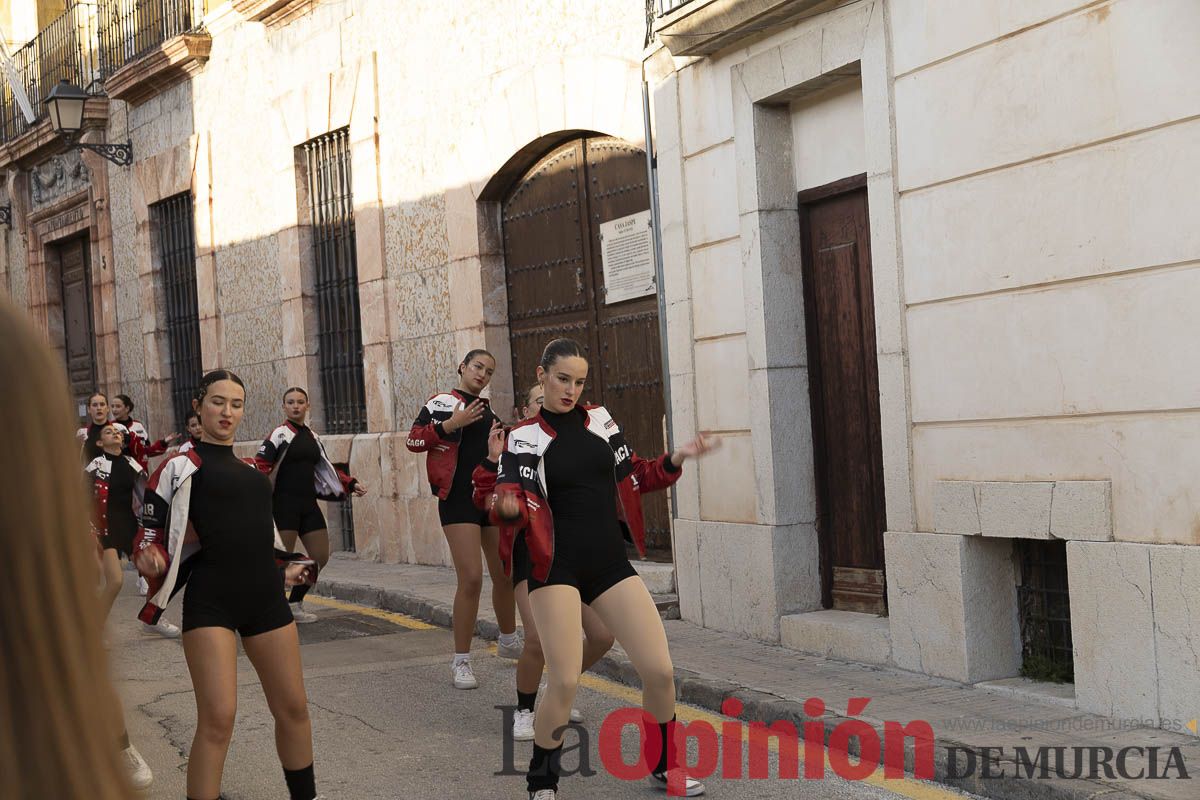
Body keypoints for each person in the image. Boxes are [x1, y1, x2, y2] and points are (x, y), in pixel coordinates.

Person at [487, 338, 719, 799]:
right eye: (562, 379)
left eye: (578, 381)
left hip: (608, 562)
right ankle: (542, 780)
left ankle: (662, 767)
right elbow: (504, 495)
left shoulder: (601, 421)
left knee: (659, 671)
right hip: (554, 566)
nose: (570, 389)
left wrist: (675, 459)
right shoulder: (524, 438)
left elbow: (634, 475)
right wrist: (508, 505)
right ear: (542, 375)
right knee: (567, 677)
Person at [134, 369, 321, 800]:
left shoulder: (253, 471)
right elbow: (151, 533)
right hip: (211, 603)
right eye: (218, 402)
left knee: (293, 709)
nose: (227, 411)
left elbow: (262, 538)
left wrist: (288, 566)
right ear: (198, 406)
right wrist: (150, 557)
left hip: (266, 602)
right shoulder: (179, 466)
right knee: (218, 719)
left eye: (236, 404)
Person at [0, 298, 137, 799]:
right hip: (86, 528)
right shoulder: (82, 456)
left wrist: (147, 539)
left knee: (115, 581)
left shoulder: (132, 457)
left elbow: (145, 496)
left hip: (104, 531)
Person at [473, 384, 615, 741]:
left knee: (602, 635)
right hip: (532, 555)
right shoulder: (515, 444)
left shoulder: (579, 439)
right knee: (536, 638)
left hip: (573, 555)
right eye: (539, 400)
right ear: (526, 409)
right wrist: (492, 460)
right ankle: (524, 710)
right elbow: (483, 500)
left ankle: (558, 692)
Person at [407, 348, 521, 690]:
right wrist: (450, 424)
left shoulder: (489, 411)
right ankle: (461, 661)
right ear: (462, 367)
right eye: (477, 367)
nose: (482, 374)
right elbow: (414, 441)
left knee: (505, 572)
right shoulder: (441, 401)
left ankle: (508, 639)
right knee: (471, 578)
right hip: (456, 498)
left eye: (488, 371)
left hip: (487, 496)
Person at [255, 387, 367, 623]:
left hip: (308, 506)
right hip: (283, 506)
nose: (296, 406)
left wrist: (350, 483)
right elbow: (260, 465)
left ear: (308, 406)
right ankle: (268, 609)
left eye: (300, 402)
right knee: (276, 562)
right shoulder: (279, 434)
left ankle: (294, 602)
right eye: (290, 402)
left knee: (320, 556)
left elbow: (326, 467)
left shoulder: (313, 437)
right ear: (284, 407)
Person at [83, 421, 155, 788]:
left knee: (147, 575)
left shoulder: (133, 465)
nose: (116, 435)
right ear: (98, 440)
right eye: (109, 432)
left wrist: (148, 535)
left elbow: (147, 497)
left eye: (119, 432)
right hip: (102, 529)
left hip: (128, 528)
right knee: (112, 580)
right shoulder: (94, 466)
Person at [110, 393, 180, 468]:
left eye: (118, 406)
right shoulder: (110, 427)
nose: (114, 409)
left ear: (127, 408)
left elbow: (147, 451)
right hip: (120, 469)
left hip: (140, 472)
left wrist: (164, 442)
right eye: (112, 406)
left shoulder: (138, 425)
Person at [76, 391, 111, 463]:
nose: (99, 408)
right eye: (95, 405)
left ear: (107, 408)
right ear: (88, 409)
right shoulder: (82, 433)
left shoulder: (118, 429)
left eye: (102, 404)